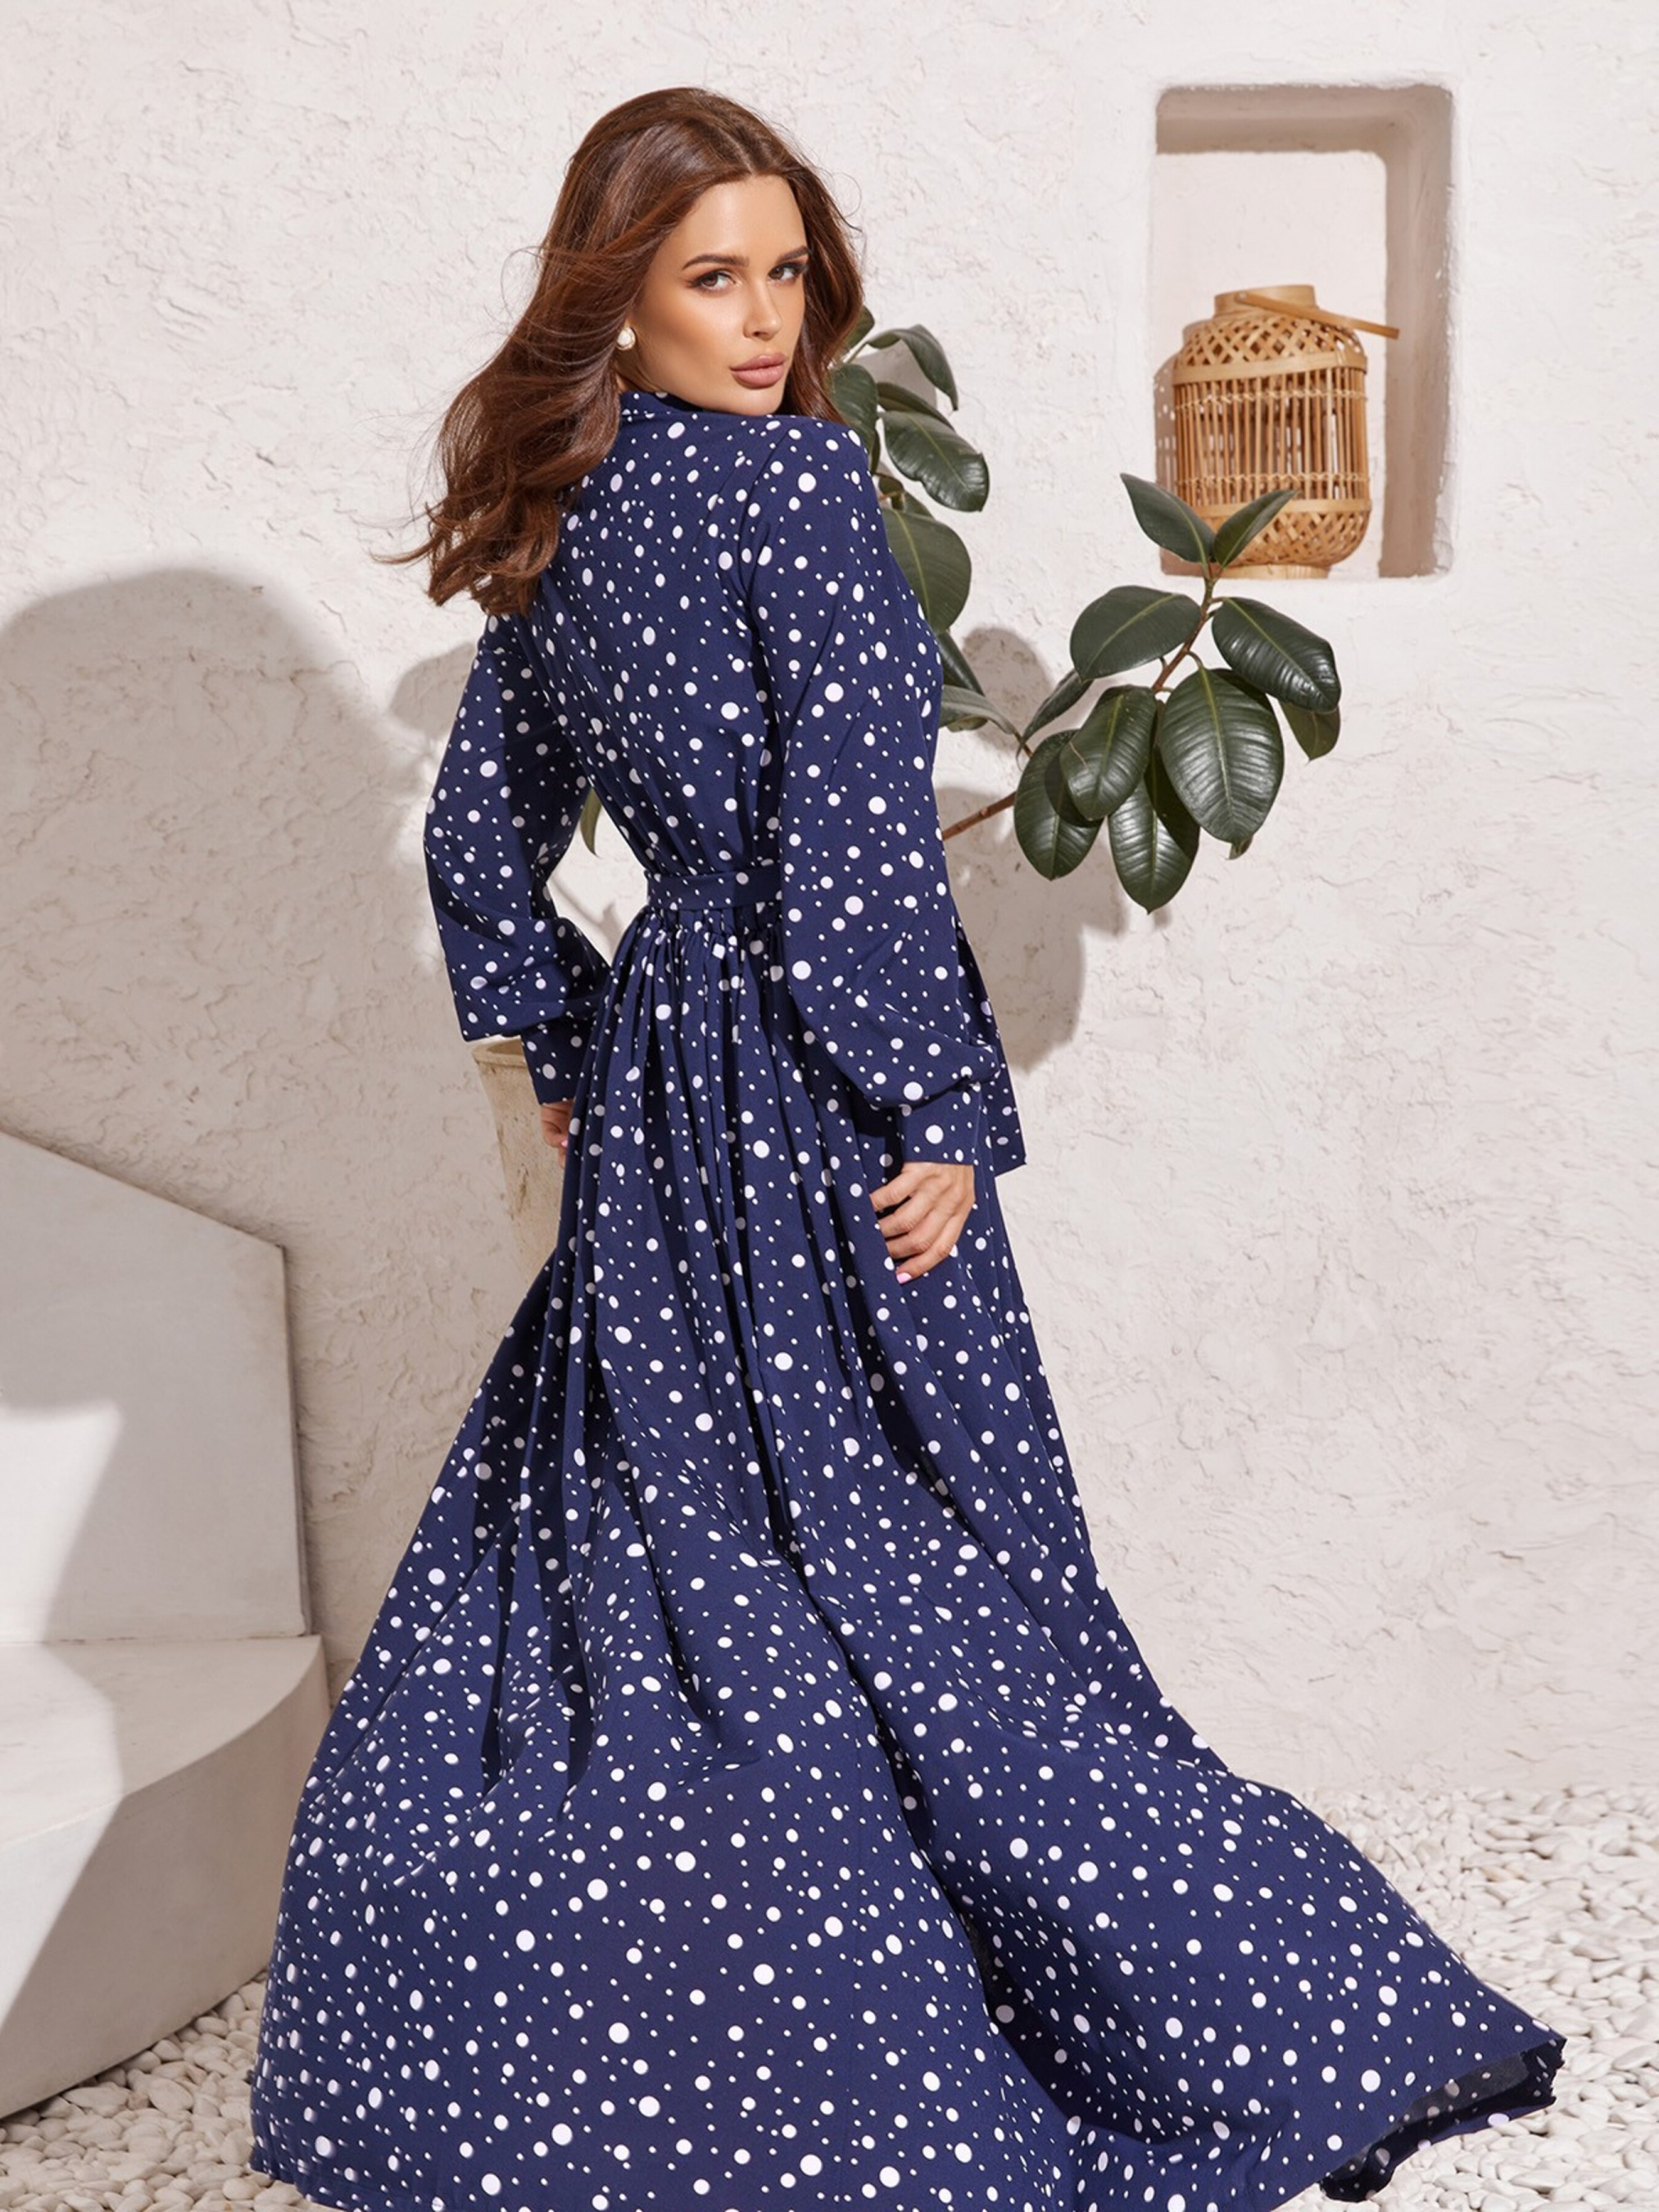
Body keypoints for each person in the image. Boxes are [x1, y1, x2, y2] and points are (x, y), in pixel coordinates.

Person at [247, 87, 1564, 2212]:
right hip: (820, 1104)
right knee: (935, 1576)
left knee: (657, 1563)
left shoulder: (556, 525)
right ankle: (1158, 2024)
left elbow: (485, 833)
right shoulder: (796, 490)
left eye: (787, 273)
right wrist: (937, 1111)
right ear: (620, 300)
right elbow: (853, 855)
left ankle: (602, 2060)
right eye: (713, 278)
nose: (765, 319)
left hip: (667, 1101)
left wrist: (567, 1043)